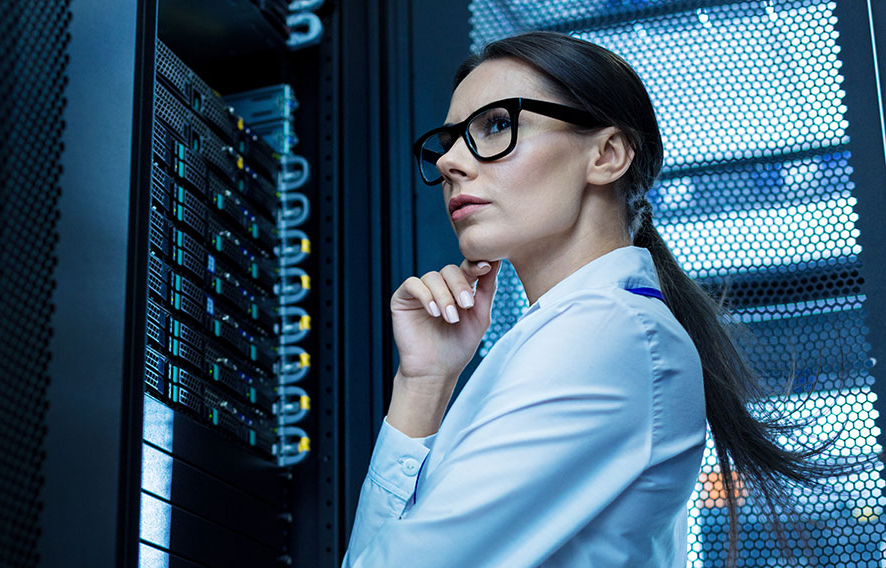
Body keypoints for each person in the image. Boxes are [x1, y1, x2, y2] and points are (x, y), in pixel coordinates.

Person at [341, 31, 847, 567]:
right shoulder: (586, 329)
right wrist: (424, 383)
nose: (450, 163)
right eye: (449, 142)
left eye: (494, 126)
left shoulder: (606, 332)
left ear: (606, 155)